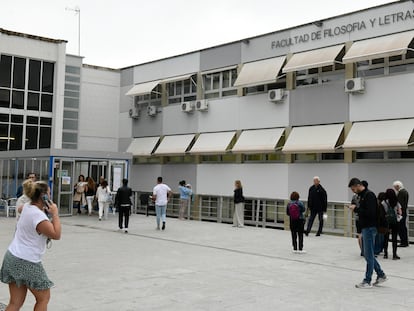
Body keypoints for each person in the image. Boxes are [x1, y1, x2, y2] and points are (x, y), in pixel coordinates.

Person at [0, 181, 61, 310]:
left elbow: (20, 208)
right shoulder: (38, 217)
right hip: (28, 261)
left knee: (15, 303)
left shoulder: (27, 206)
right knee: (43, 298)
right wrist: (54, 213)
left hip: (12, 257)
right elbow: (56, 234)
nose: (50, 196)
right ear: (43, 196)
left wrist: (42, 208)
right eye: (49, 193)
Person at [348, 178, 387, 288]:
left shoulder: (369, 195)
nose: (353, 191)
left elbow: (369, 213)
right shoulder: (363, 195)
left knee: (368, 255)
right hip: (366, 227)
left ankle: (367, 280)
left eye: (353, 189)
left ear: (358, 185)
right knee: (367, 254)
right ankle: (381, 274)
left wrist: (356, 208)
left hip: (370, 228)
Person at [381, 188, 402, 260]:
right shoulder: (396, 202)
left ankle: (385, 254)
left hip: (387, 222)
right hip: (395, 222)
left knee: (386, 238)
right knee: (394, 238)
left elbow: (382, 213)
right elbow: (400, 212)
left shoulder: (383, 202)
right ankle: (394, 255)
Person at [393, 181, 409, 247]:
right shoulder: (405, 191)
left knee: (401, 227)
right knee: (403, 227)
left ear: (397, 186)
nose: (394, 188)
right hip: (404, 212)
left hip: (401, 212)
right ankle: (405, 241)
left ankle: (403, 242)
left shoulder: (401, 192)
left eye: (395, 187)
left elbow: (400, 204)